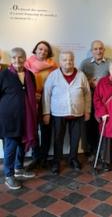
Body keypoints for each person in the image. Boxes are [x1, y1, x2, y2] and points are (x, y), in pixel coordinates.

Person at [42, 51, 91, 175]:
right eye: (64, 60)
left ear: (73, 60)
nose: (67, 62)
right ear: (60, 61)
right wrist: (46, 113)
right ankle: (56, 161)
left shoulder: (81, 75)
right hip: (58, 113)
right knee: (58, 138)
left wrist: (87, 110)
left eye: (70, 59)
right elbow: (46, 95)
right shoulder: (53, 75)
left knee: (75, 139)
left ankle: (73, 158)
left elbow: (87, 94)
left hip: (78, 113)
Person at [0, 48, 37, 190]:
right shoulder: (4, 74)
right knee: (11, 147)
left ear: (25, 58)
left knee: (22, 144)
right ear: (10, 59)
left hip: (26, 118)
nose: (17, 60)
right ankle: (9, 176)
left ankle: (19, 168)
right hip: (9, 118)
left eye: (20, 57)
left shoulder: (30, 75)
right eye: (14, 57)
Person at [25, 41, 58, 169]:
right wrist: (33, 94)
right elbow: (23, 83)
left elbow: (56, 85)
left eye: (45, 50)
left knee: (46, 130)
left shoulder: (53, 66)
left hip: (47, 101)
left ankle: (43, 157)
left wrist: (43, 94)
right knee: (32, 129)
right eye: (40, 49)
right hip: (30, 102)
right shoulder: (27, 64)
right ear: (35, 50)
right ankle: (35, 157)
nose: (42, 51)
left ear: (48, 52)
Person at [80, 40, 109, 159]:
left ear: (104, 50)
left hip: (104, 101)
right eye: (95, 49)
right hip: (89, 99)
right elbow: (79, 80)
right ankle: (91, 150)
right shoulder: (84, 63)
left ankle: (102, 150)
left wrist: (102, 85)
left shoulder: (110, 63)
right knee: (89, 126)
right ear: (91, 51)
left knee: (102, 125)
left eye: (100, 48)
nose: (98, 51)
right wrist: (89, 83)